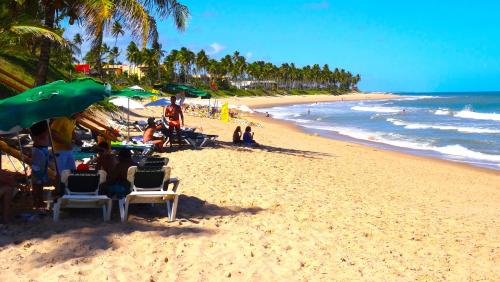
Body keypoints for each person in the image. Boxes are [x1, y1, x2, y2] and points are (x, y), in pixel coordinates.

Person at [30, 121, 50, 209]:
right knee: (37, 178)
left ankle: (39, 201)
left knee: (40, 179)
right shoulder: (39, 124)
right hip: (39, 150)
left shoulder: (42, 123)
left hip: (42, 149)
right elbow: (40, 136)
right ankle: (37, 201)